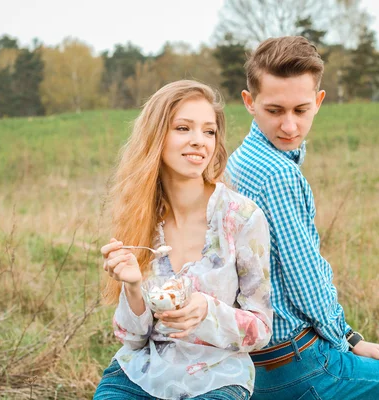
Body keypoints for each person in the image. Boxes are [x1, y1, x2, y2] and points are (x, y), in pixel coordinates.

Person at [226, 36, 379, 400]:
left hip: (250, 355)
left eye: (300, 110)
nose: (289, 126)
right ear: (249, 102)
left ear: (318, 102)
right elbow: (305, 282)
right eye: (275, 111)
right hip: (290, 362)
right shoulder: (277, 175)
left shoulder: (240, 159)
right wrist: (349, 338)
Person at [93, 80, 273, 400]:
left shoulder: (241, 218)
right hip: (142, 373)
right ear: (156, 136)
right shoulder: (138, 217)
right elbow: (132, 339)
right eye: (183, 128)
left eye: (209, 131)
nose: (198, 141)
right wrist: (133, 286)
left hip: (217, 375)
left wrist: (206, 311)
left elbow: (260, 329)